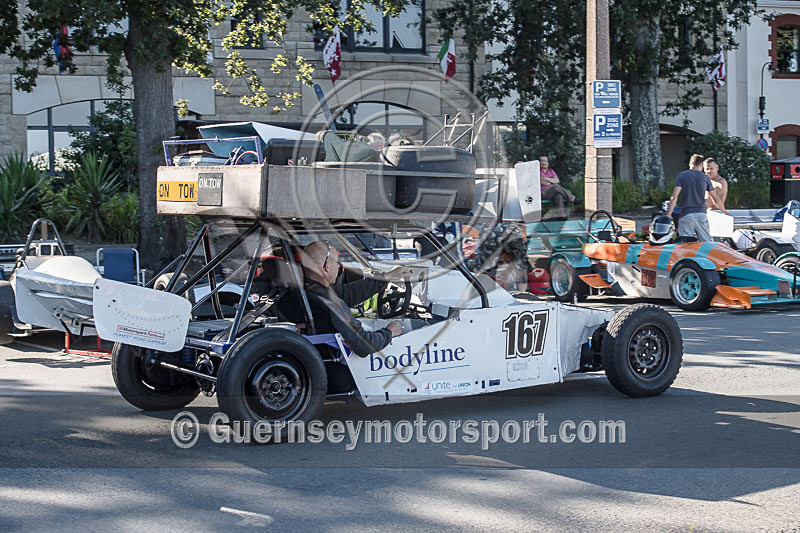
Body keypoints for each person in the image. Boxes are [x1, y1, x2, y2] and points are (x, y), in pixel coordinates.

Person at [299, 240, 408, 357]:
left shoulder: (306, 292)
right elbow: (363, 345)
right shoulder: (332, 303)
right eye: (336, 262)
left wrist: (386, 277)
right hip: (338, 366)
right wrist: (389, 333)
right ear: (327, 267)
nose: (338, 266)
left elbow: (347, 294)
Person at [666, 154, 724, 242]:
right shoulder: (705, 177)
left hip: (686, 215)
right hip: (701, 215)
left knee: (684, 245)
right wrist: (724, 211)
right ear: (701, 165)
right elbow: (715, 198)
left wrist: (668, 215)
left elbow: (674, 197)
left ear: (690, 164)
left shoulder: (681, 176)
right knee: (706, 244)